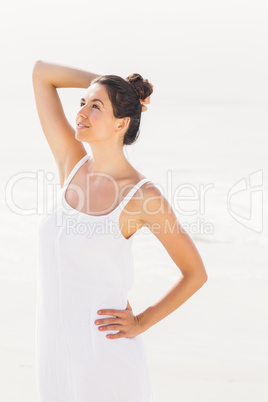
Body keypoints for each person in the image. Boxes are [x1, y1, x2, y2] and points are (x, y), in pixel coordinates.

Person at [32, 60, 208, 402]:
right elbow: (41, 74)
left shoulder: (142, 195)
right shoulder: (71, 163)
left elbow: (195, 273)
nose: (81, 112)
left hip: (105, 360)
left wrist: (141, 321)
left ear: (121, 123)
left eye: (95, 106)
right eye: (82, 102)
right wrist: (112, 88)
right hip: (54, 355)